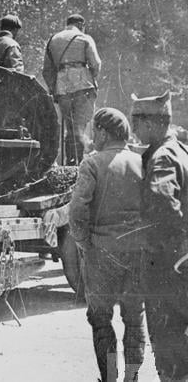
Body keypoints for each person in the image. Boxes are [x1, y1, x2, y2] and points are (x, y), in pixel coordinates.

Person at [67, 108, 145, 382]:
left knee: (101, 321)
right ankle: (133, 378)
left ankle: (111, 378)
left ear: (103, 131)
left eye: (94, 130)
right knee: (135, 320)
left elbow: (77, 210)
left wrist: (83, 242)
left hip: (101, 254)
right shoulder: (142, 162)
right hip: (137, 254)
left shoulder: (92, 163)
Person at [130, 92, 188, 381]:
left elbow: (163, 203)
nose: (133, 128)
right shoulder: (181, 151)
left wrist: (174, 252)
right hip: (180, 267)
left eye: (135, 121)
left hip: (166, 270)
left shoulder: (163, 156)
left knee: (168, 346)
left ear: (151, 124)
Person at [43, 13, 102, 165]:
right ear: (81, 25)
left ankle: (70, 162)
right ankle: (79, 164)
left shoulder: (53, 39)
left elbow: (47, 71)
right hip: (83, 86)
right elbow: (95, 64)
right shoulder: (84, 38)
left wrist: (54, 87)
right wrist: (91, 77)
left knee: (69, 127)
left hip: (62, 88)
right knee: (80, 127)